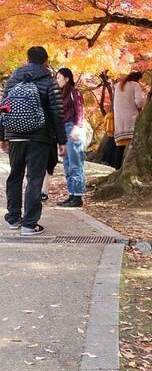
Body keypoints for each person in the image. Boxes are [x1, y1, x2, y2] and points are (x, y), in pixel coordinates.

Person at [0, 46, 66, 236]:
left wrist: (3, 136)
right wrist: (62, 141)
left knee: (15, 176)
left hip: (15, 135)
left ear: (27, 59)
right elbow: (56, 113)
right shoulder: (49, 81)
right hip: (39, 136)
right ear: (46, 61)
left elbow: (4, 107)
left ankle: (13, 219)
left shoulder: (14, 79)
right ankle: (30, 224)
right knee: (35, 179)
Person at [56, 68, 86, 207]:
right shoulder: (62, 94)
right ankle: (72, 194)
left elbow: (80, 110)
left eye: (59, 78)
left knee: (75, 163)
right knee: (67, 164)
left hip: (73, 128)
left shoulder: (75, 92)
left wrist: (77, 127)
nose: (57, 80)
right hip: (64, 129)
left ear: (67, 78)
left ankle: (78, 196)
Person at [113, 71, 145, 170]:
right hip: (131, 118)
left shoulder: (118, 86)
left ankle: (117, 168)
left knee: (120, 146)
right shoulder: (135, 85)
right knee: (133, 145)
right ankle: (132, 169)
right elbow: (139, 102)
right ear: (138, 79)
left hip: (119, 119)